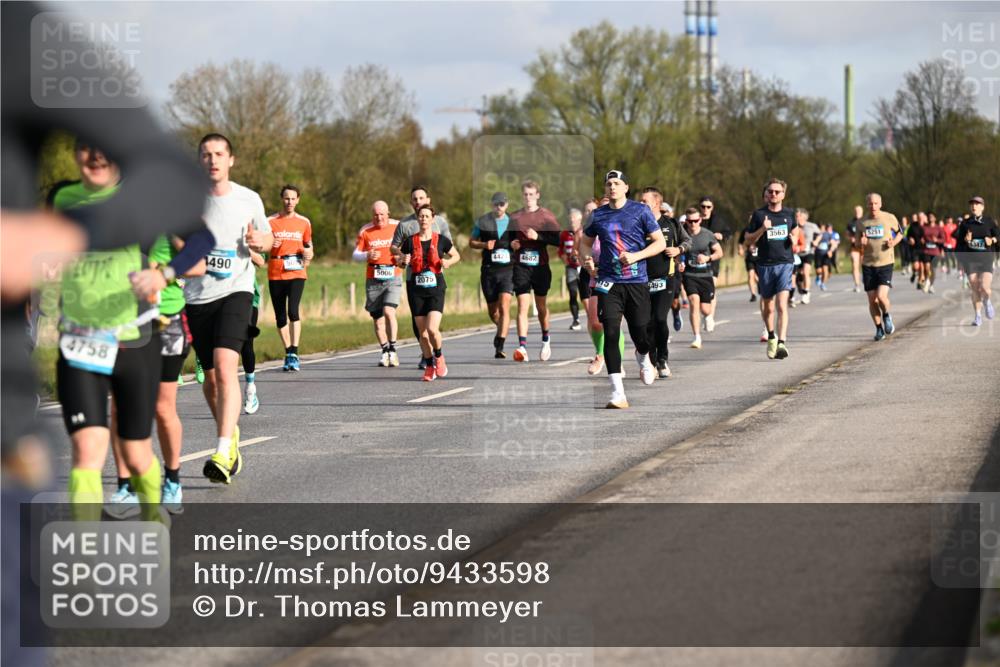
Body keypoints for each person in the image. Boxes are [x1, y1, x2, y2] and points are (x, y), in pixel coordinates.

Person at [185, 133, 273, 485]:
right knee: (208, 379)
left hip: (236, 290)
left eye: (219, 154)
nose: (212, 160)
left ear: (231, 160)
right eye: (206, 155)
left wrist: (259, 242)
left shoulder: (247, 198)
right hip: (197, 297)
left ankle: (222, 450)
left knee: (226, 367)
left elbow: (267, 240)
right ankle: (230, 432)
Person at [580, 170, 665, 408]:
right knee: (611, 332)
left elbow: (660, 243)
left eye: (617, 183)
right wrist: (587, 261)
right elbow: (584, 244)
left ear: (626, 187)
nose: (612, 187)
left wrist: (637, 256)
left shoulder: (640, 211)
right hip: (608, 282)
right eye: (608, 184)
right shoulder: (597, 215)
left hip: (636, 280)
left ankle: (643, 357)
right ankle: (618, 393)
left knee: (641, 332)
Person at [396, 204, 461, 380]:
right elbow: (399, 262)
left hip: (435, 288)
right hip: (416, 290)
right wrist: (403, 260)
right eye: (421, 216)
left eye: (427, 216)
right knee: (422, 333)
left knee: (432, 329)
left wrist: (448, 262)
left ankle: (439, 356)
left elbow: (456, 255)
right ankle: (429, 364)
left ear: (433, 219)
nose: (424, 219)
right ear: (418, 219)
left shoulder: (441, 240)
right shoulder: (410, 241)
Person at [391, 185, 452, 369]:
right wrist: (402, 257)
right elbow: (394, 248)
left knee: (432, 325)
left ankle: (434, 355)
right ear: (411, 203)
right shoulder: (405, 224)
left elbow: (449, 246)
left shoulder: (439, 222)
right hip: (413, 279)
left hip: (434, 277)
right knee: (419, 326)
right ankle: (427, 355)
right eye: (415, 199)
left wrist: (445, 261)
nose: (418, 202)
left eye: (421, 198)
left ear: (428, 200)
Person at [743, 179, 799, 360]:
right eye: (770, 192)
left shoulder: (790, 214)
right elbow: (748, 240)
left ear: (783, 194)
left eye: (777, 192)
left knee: (782, 305)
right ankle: (772, 336)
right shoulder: (759, 215)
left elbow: (795, 232)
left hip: (785, 263)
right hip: (765, 264)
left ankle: (782, 342)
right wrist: (762, 229)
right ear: (766, 194)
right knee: (768, 308)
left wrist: (793, 239)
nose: (773, 194)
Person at [510, 180, 562, 362]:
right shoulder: (515, 217)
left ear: (537, 195)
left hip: (540, 267)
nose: (528, 198)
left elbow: (558, 240)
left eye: (531, 194)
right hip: (521, 266)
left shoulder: (546, 216)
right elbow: (507, 239)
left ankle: (546, 339)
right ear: (522, 196)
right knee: (522, 306)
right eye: (525, 194)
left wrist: (538, 236)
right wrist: (512, 244)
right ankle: (522, 347)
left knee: (541, 307)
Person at [641, 188, 690, 377]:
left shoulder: (671, 223)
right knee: (646, 323)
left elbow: (688, 241)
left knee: (660, 319)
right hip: (642, 280)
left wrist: (678, 250)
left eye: (645, 201)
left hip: (666, 279)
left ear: (656, 203)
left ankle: (662, 359)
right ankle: (651, 361)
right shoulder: (638, 224)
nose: (641, 204)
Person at [267, 184, 313, 371]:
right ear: (282, 199)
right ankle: (288, 352)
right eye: (286, 198)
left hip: (296, 271)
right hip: (276, 271)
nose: (290, 202)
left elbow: (309, 247)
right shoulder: (269, 221)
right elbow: (260, 246)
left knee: (293, 311)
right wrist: (271, 243)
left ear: (298, 200)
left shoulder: (304, 222)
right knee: (280, 316)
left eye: (293, 198)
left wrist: (309, 256)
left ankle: (294, 351)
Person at [355, 201, 402, 366]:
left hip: (393, 275)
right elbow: (355, 254)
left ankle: (393, 349)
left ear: (388, 213)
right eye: (376, 214)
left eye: (382, 214)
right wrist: (367, 255)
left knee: (389, 311)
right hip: (373, 278)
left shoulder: (398, 226)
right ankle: (385, 350)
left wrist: (401, 256)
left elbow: (407, 247)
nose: (379, 218)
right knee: (377, 318)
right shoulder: (365, 230)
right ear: (372, 215)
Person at [470, 192, 516, 357]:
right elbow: (471, 242)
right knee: (493, 311)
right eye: (496, 204)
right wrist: (484, 244)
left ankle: (500, 344)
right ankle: (501, 327)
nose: (499, 207)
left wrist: (517, 245)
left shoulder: (514, 221)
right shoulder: (483, 221)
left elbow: (521, 241)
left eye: (502, 204)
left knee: (504, 306)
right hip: (489, 270)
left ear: (507, 205)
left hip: (508, 270)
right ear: (492, 205)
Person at [855, 192, 902, 340]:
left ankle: (887, 316)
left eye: (876, 203)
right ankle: (879, 329)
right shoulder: (861, 222)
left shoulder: (889, 217)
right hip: (868, 264)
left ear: (880, 204)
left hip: (885, 262)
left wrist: (893, 243)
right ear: (867, 205)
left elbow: (900, 233)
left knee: (881, 297)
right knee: (872, 300)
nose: (873, 206)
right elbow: (856, 244)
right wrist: (860, 244)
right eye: (870, 203)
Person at [681, 208, 723, 349]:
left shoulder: (707, 234)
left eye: (695, 221)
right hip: (689, 275)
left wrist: (708, 258)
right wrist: (678, 263)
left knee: (706, 309)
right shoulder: (682, 234)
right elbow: (676, 252)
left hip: (705, 275)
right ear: (686, 221)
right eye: (689, 221)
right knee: (694, 302)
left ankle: (707, 316)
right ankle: (696, 337)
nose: (693, 224)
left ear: (700, 220)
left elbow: (719, 252)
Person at [956, 196, 998, 326]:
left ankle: (987, 301)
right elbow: (958, 244)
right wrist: (966, 240)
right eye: (972, 204)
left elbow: (998, 234)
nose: (974, 206)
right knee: (975, 288)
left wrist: (992, 240)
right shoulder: (965, 223)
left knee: (985, 287)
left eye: (977, 204)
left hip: (986, 259)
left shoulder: (989, 221)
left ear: (982, 207)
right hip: (971, 260)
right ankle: (978, 316)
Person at [698, 196, 730, 330]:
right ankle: (705, 312)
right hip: (696, 259)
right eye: (703, 206)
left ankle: (709, 316)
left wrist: (722, 236)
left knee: (711, 287)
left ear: (712, 208)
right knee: (698, 291)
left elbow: (728, 232)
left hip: (713, 257)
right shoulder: (695, 220)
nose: (705, 209)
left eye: (708, 207)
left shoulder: (718, 220)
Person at [241, 258, 265, 412]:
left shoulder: (247, 234)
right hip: (219, 295)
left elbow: (260, 260)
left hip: (247, 295)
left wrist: (245, 247)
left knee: (246, 343)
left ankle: (250, 388)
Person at [559, 208, 584, 330]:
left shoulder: (585, 232)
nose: (572, 221)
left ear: (580, 219)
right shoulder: (565, 234)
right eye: (570, 219)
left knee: (586, 294)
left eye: (574, 218)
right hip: (571, 269)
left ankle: (592, 316)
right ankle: (576, 320)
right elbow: (560, 251)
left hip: (584, 267)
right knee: (573, 293)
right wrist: (565, 260)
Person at [795, 209, 821, 304]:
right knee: (799, 275)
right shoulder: (794, 226)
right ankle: (801, 289)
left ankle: (806, 293)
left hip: (809, 252)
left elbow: (820, 234)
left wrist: (816, 241)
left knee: (806, 272)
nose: (797, 218)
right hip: (797, 254)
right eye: (796, 216)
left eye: (798, 216)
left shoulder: (811, 226)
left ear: (803, 217)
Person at [921, 214, 947, 294]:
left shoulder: (939, 228)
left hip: (935, 252)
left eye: (932, 217)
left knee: (933, 270)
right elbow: (921, 236)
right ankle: (927, 281)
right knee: (927, 268)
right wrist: (922, 240)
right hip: (926, 250)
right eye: (929, 217)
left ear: (935, 218)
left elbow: (943, 239)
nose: (930, 218)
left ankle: (931, 284)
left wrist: (937, 240)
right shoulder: (924, 227)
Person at [846, 205, 864, 292]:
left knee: (864, 265)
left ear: (862, 212)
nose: (857, 213)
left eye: (859, 211)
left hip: (864, 247)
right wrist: (851, 238)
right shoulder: (851, 222)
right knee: (854, 264)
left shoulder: (866, 221)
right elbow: (847, 234)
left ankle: (865, 278)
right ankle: (857, 285)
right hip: (855, 247)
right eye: (856, 211)